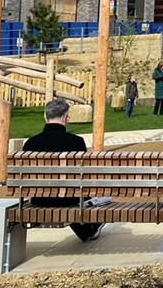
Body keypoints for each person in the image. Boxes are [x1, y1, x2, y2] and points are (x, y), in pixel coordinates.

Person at [22, 99, 103, 242]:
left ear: (45, 117)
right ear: (66, 118)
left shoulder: (30, 143)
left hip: (39, 199)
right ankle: (89, 230)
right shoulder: (76, 142)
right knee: (83, 198)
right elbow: (84, 176)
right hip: (69, 199)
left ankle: (88, 231)